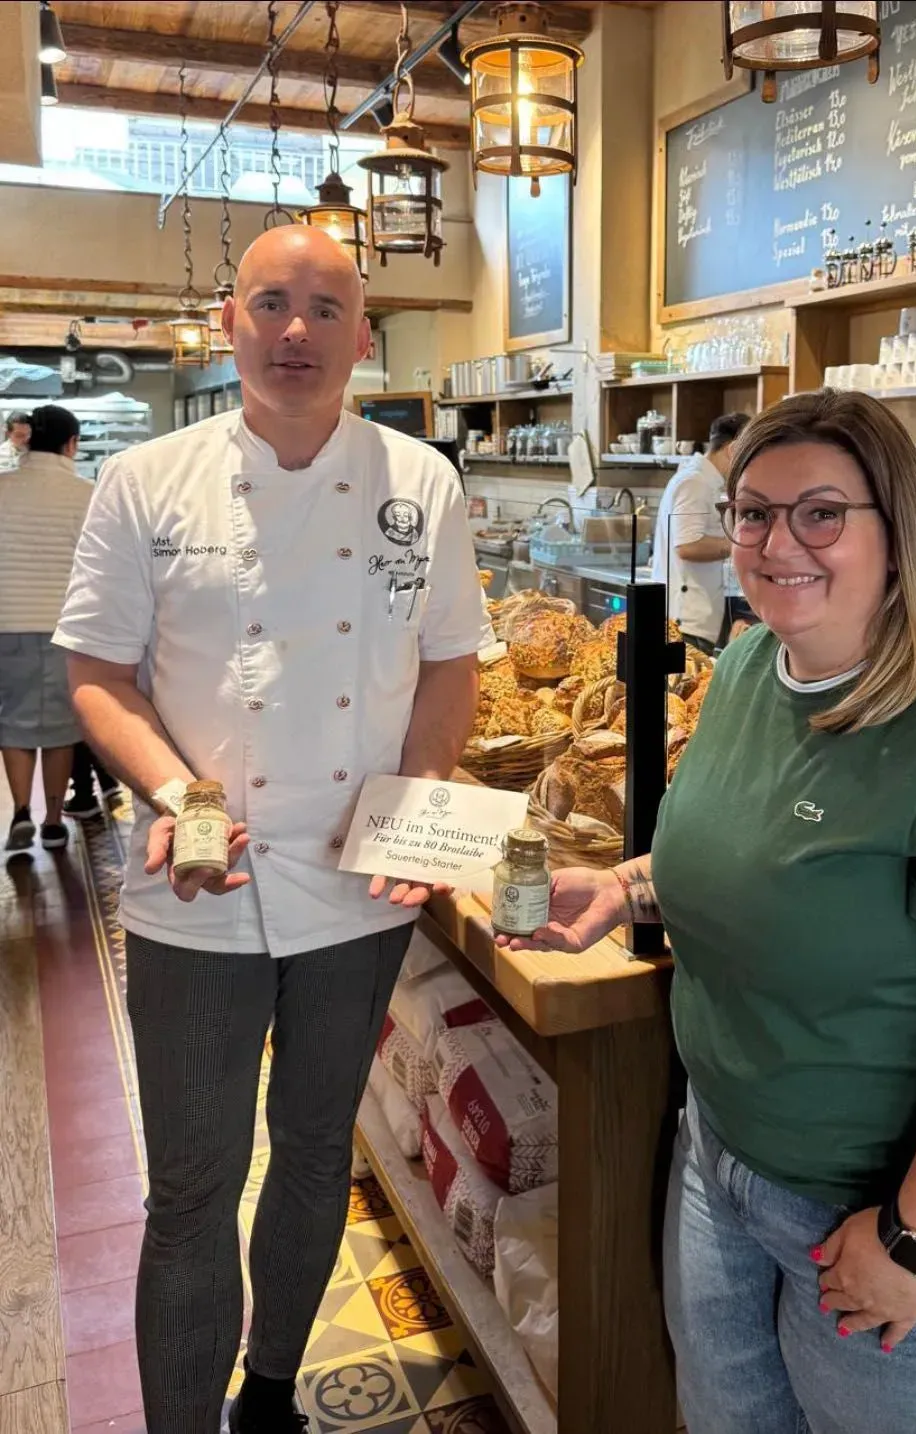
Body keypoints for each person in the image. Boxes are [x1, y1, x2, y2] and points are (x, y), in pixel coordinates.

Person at [497, 389, 916, 1434]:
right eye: (754, 513)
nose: (780, 543)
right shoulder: (743, 669)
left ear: (896, 528)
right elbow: (748, 849)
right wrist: (627, 886)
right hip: (725, 1165)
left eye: (821, 512)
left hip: (902, 1217)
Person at [54, 225, 483, 1434]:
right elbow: (95, 670)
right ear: (229, 319)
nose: (299, 331)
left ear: (364, 329)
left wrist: (421, 800)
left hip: (357, 885)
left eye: (327, 308)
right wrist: (177, 794)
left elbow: (451, 669)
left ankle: (278, 1395)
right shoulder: (148, 480)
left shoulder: (423, 482)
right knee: (192, 1187)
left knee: (312, 1150)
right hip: (195, 884)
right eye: (273, 304)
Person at [0, 404, 92, 851]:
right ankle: (54, 820)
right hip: (63, 626)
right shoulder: (85, 495)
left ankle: (20, 811)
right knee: (60, 728)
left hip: (6, 623)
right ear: (71, 444)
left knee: (12, 722)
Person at [649, 411, 749, 652]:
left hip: (692, 621)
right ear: (733, 449)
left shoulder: (703, 480)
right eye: (748, 453)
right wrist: (742, 545)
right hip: (685, 624)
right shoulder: (696, 483)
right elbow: (687, 546)